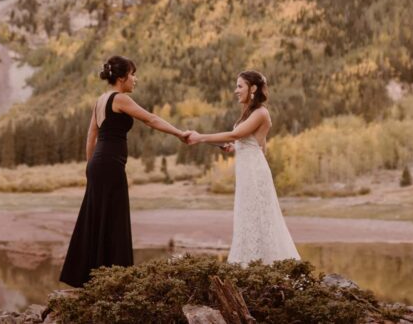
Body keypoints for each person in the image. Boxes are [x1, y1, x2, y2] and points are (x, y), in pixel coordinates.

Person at [59, 55, 191, 286]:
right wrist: (179, 133)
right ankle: (116, 280)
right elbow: (150, 119)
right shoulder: (119, 99)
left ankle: (92, 279)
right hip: (110, 165)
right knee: (114, 219)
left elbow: (91, 136)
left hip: (99, 165)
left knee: (98, 218)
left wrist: (89, 168)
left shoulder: (101, 100)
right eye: (132, 74)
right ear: (121, 78)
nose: (135, 79)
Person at [188, 70, 300, 264]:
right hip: (248, 171)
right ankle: (253, 266)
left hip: (254, 173)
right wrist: (235, 147)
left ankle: (263, 266)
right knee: (247, 217)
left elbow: (235, 135)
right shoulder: (249, 114)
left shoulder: (261, 113)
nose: (236, 90)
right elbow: (257, 144)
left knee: (259, 218)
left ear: (253, 88)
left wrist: (200, 137)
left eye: (240, 86)